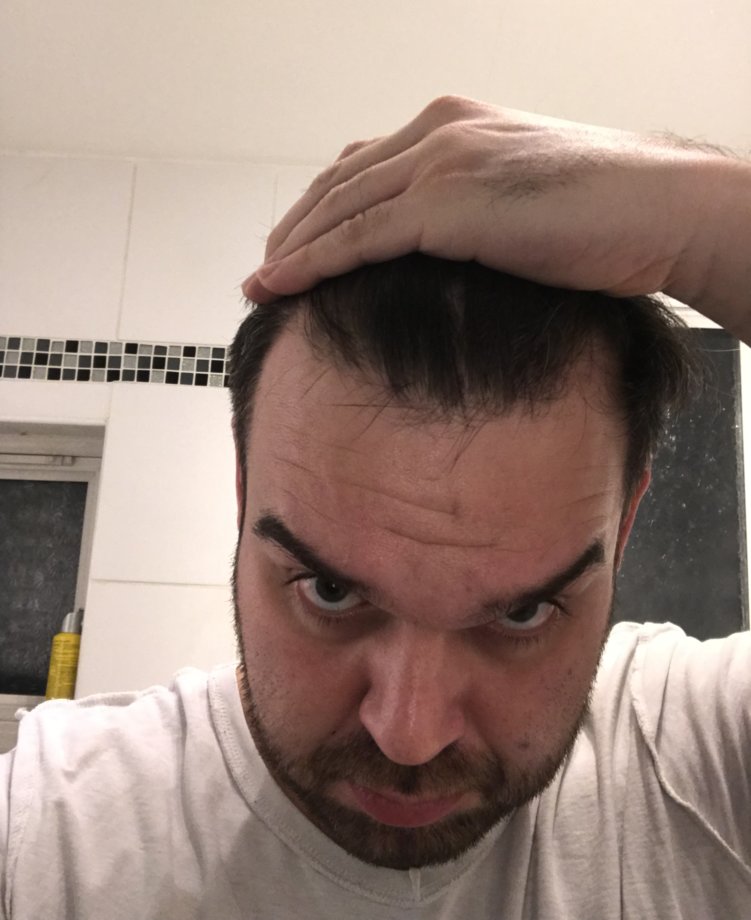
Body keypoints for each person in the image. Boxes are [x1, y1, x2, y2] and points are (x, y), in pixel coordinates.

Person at [1, 97, 749, 919]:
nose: (408, 734)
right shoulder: (47, 834)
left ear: (624, 523)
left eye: (522, 613)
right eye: (329, 592)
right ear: (243, 495)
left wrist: (706, 222)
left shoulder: (703, 761)